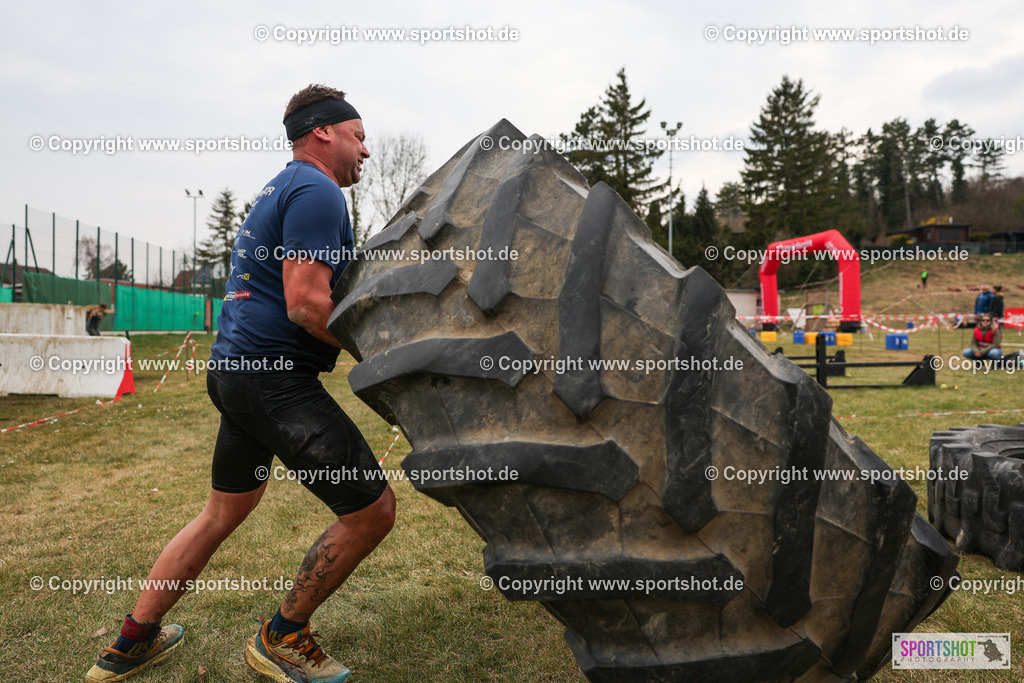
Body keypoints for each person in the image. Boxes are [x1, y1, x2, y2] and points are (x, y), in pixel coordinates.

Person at [86, 85, 391, 683]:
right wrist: (378, 353)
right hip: (272, 380)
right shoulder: (318, 190)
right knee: (371, 512)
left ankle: (128, 645)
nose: (366, 152)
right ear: (323, 132)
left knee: (220, 514)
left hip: (235, 374)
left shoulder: (279, 188)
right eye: (360, 137)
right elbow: (306, 304)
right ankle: (283, 637)